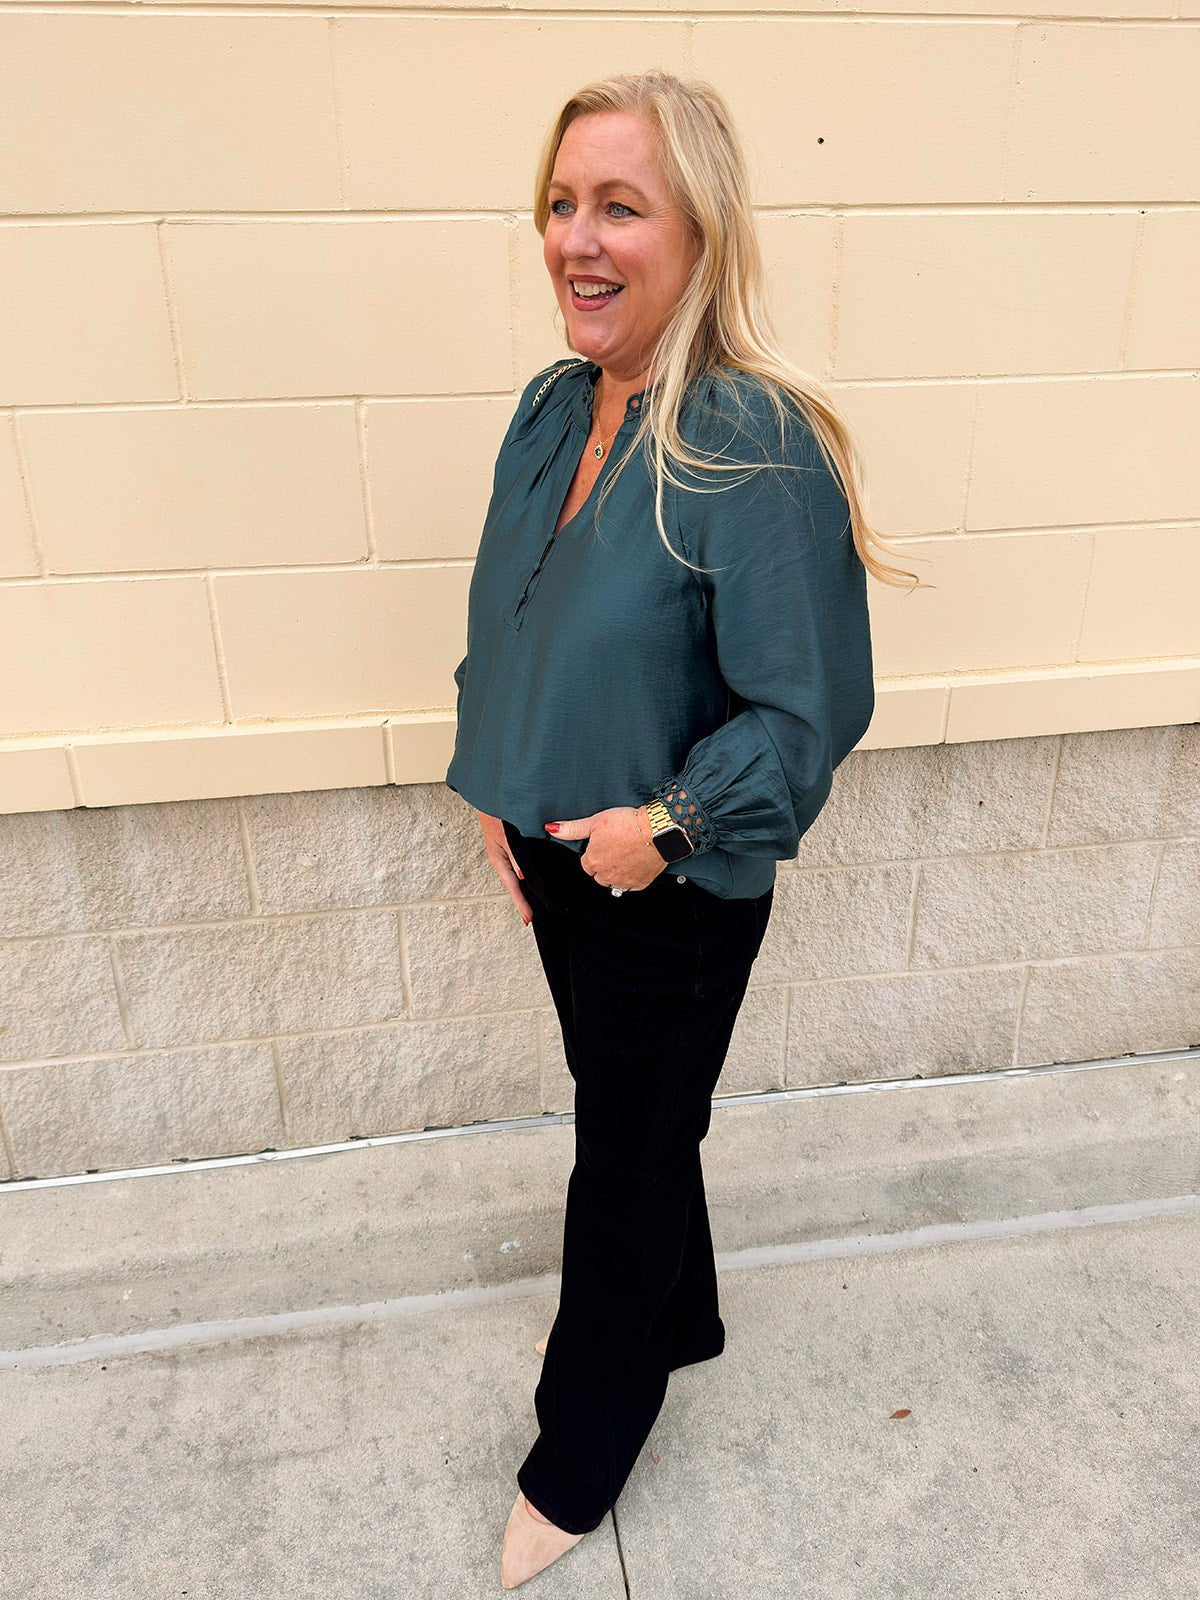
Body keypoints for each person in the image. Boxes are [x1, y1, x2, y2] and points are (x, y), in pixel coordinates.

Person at [443, 69, 917, 1591]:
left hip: (668, 882)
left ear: (701, 232)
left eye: (620, 207)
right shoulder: (551, 408)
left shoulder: (751, 443)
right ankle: (684, 1314)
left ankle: (581, 1449)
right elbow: (513, 619)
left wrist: (665, 823)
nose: (576, 239)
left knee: (623, 1161)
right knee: (637, 1116)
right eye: (561, 203)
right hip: (557, 857)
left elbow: (809, 710)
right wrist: (496, 790)